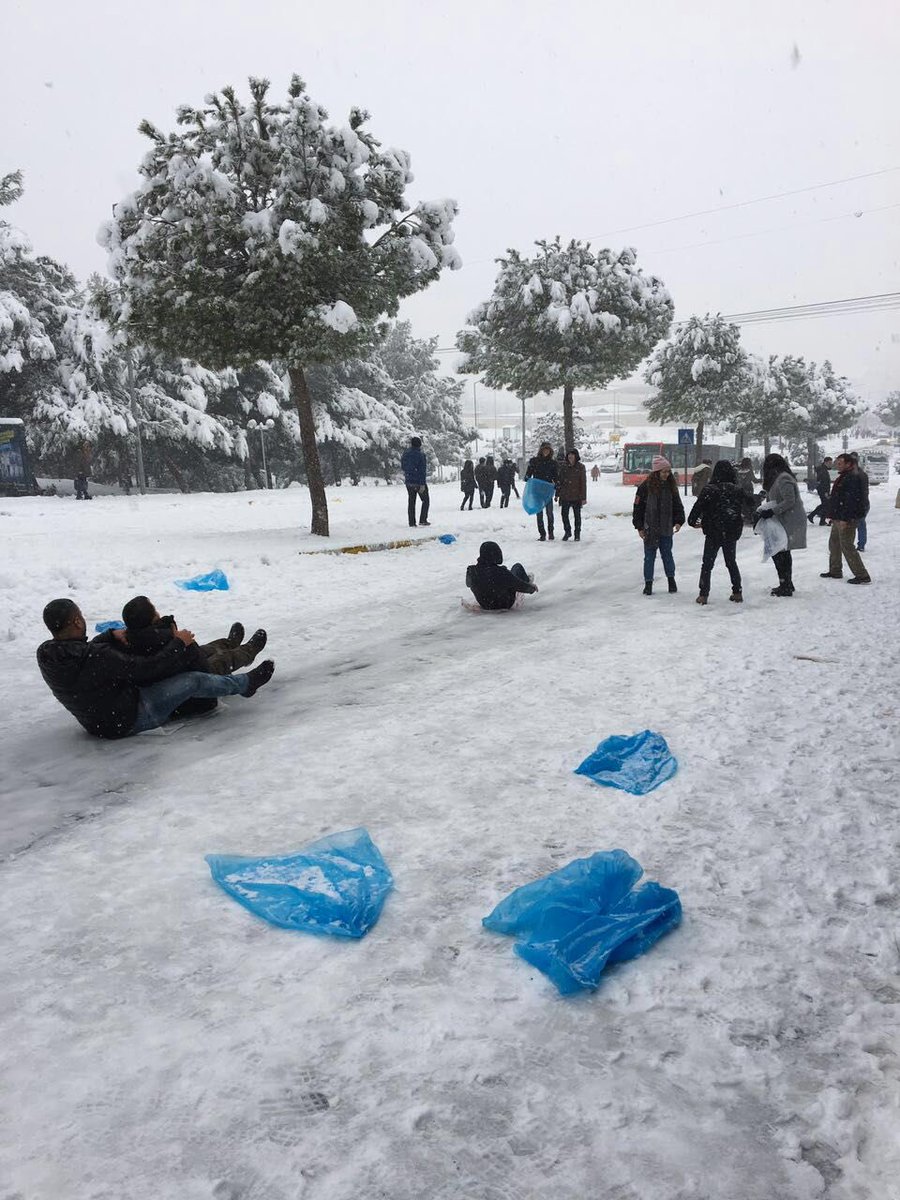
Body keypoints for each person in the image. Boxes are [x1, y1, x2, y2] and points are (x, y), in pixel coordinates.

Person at [36, 599, 274, 739]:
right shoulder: (99, 657)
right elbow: (147, 669)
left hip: (98, 723)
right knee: (194, 680)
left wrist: (109, 634)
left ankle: (231, 645)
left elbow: (83, 652)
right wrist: (179, 643)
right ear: (77, 621)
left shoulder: (47, 654)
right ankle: (244, 685)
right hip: (129, 718)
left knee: (203, 655)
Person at [119, 595, 267, 674]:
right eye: (154, 610)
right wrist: (178, 639)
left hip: (189, 659)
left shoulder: (139, 635)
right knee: (224, 660)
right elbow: (167, 657)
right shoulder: (153, 639)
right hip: (193, 670)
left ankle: (230, 643)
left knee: (211, 648)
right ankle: (249, 651)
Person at [687, 460, 745, 604]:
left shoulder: (709, 490)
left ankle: (703, 594)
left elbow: (697, 509)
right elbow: (747, 505)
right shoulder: (736, 490)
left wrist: (694, 522)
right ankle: (737, 592)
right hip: (731, 532)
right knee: (731, 562)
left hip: (713, 531)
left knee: (707, 564)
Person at [756, 453, 807, 596]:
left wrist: (772, 511)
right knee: (781, 552)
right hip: (783, 519)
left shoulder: (783, 478)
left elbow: (789, 500)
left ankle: (785, 585)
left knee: (780, 552)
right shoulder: (780, 477)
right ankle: (786, 584)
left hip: (789, 520)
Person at [633, 456, 685, 595]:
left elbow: (678, 505)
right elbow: (638, 508)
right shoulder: (645, 488)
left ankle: (671, 581)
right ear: (656, 472)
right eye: (663, 471)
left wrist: (679, 520)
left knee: (667, 555)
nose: (666, 474)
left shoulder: (671, 487)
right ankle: (648, 584)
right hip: (650, 528)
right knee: (649, 557)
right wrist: (639, 527)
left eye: (668, 471)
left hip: (666, 527)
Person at [820, 453, 871, 584]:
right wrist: (833, 515)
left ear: (848, 464)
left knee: (847, 545)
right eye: (837, 462)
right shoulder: (847, 475)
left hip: (846, 517)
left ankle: (862, 575)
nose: (837, 465)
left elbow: (851, 500)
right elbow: (838, 497)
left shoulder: (853, 477)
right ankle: (835, 570)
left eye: (840, 463)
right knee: (834, 543)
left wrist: (845, 519)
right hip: (838, 516)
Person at [465, 541, 538, 610]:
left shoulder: (471, 571)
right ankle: (527, 580)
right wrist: (532, 588)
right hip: (505, 603)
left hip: (485, 604)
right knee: (517, 567)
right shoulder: (501, 572)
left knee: (505, 579)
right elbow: (519, 586)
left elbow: (468, 584)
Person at [524, 441, 560, 540]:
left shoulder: (553, 463)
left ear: (550, 451)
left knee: (549, 513)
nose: (546, 451)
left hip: (547, 491)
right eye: (544, 449)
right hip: (537, 491)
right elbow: (528, 473)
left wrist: (557, 487)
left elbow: (555, 477)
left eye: (548, 449)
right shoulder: (534, 461)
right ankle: (542, 534)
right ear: (541, 450)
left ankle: (551, 532)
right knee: (539, 513)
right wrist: (527, 477)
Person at [557, 448, 587, 541]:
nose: (570, 456)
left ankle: (577, 534)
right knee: (564, 514)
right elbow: (560, 481)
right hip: (565, 495)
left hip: (576, 495)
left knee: (577, 515)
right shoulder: (563, 467)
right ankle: (567, 531)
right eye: (569, 454)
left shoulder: (581, 467)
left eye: (572, 454)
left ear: (576, 456)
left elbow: (583, 483)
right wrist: (557, 494)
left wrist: (583, 497)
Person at [400, 436, 430, 527]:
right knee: (426, 500)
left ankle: (412, 522)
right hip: (418, 482)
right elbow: (422, 471)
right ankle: (423, 519)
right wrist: (422, 484)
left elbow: (403, 466)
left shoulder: (405, 453)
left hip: (409, 481)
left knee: (411, 502)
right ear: (420, 445)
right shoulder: (421, 455)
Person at [848, 452, 869, 552]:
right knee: (859, 525)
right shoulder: (860, 474)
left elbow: (863, 492)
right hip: (858, 504)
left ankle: (859, 545)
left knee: (859, 524)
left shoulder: (858, 475)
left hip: (859, 504)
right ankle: (859, 544)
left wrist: (861, 505)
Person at [807, 456, 833, 526]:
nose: (831, 464)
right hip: (823, 491)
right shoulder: (823, 470)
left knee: (825, 505)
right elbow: (824, 482)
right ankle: (818, 519)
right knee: (826, 505)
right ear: (825, 462)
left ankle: (815, 517)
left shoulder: (822, 469)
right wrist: (826, 492)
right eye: (830, 463)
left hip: (822, 490)